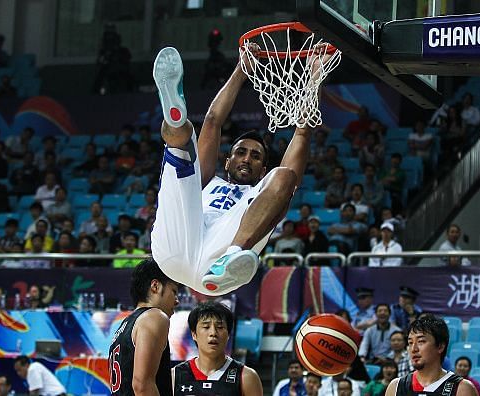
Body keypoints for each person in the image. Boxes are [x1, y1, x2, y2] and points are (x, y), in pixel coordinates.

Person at [150, 43, 328, 296]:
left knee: (285, 176)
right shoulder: (208, 181)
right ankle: (175, 118)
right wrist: (241, 70)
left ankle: (234, 253)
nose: (247, 159)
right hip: (175, 245)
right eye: (240, 152)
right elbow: (212, 121)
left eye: (256, 156)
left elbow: (302, 132)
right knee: (184, 141)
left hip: (218, 267)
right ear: (227, 161)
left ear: (262, 168)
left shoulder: (263, 195)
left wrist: (315, 79)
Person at [108, 259, 179, 395]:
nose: (177, 300)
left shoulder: (125, 324)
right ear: (155, 286)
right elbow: (142, 385)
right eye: (174, 291)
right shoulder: (155, 316)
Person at [172, 301, 263, 395]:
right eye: (206, 327)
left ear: (228, 334)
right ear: (194, 334)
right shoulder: (175, 376)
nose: (213, 333)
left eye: (219, 327)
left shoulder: (246, 377)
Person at [384, 315, 477, 396]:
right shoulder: (395, 387)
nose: (413, 349)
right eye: (410, 342)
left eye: (421, 341)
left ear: (440, 346)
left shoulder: (462, 389)